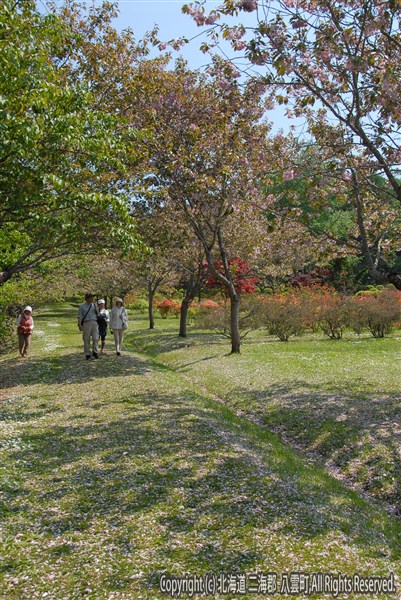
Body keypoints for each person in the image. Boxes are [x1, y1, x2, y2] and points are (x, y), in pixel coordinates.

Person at [77, 293, 99, 360]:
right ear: (87, 298)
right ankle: (87, 353)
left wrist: (97, 310)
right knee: (86, 339)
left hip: (94, 322)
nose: (92, 299)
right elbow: (80, 316)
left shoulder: (94, 305)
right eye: (90, 297)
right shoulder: (82, 306)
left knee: (95, 338)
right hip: (86, 323)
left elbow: (98, 314)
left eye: (92, 297)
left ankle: (95, 351)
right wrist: (80, 324)